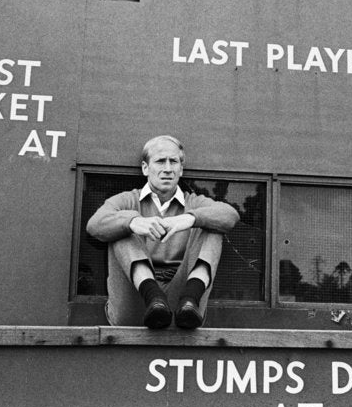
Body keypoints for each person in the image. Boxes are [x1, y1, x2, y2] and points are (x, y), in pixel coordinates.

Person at [86, 135, 239, 329]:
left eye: (173, 161)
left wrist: (190, 218)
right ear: (145, 168)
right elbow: (94, 225)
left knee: (213, 223)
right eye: (160, 161)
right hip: (135, 303)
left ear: (181, 169)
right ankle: (153, 296)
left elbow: (230, 215)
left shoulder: (194, 202)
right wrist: (133, 222)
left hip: (182, 308)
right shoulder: (126, 200)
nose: (167, 168)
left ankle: (191, 298)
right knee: (121, 222)